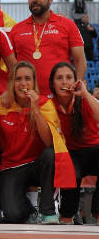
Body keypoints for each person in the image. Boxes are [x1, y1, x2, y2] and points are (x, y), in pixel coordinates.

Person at [0, 61, 76, 224]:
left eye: (27, 79)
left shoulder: (43, 104)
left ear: (34, 82)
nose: (23, 84)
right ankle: (31, 210)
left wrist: (35, 109)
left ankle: (47, 211)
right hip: (12, 166)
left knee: (50, 154)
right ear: (12, 82)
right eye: (18, 79)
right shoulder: (3, 104)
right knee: (13, 215)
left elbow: (49, 141)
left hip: (37, 165)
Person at [9, 0, 86, 97]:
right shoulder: (16, 29)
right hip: (27, 98)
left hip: (59, 98)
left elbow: (80, 61)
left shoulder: (68, 25)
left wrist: (75, 88)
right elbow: (10, 66)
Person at [48, 62, 99, 224]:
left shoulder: (84, 99)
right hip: (71, 154)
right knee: (70, 172)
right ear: (52, 84)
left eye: (69, 77)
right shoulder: (49, 105)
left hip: (94, 151)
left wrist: (85, 94)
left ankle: (98, 213)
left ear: (75, 81)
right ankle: (67, 216)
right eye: (59, 78)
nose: (64, 82)